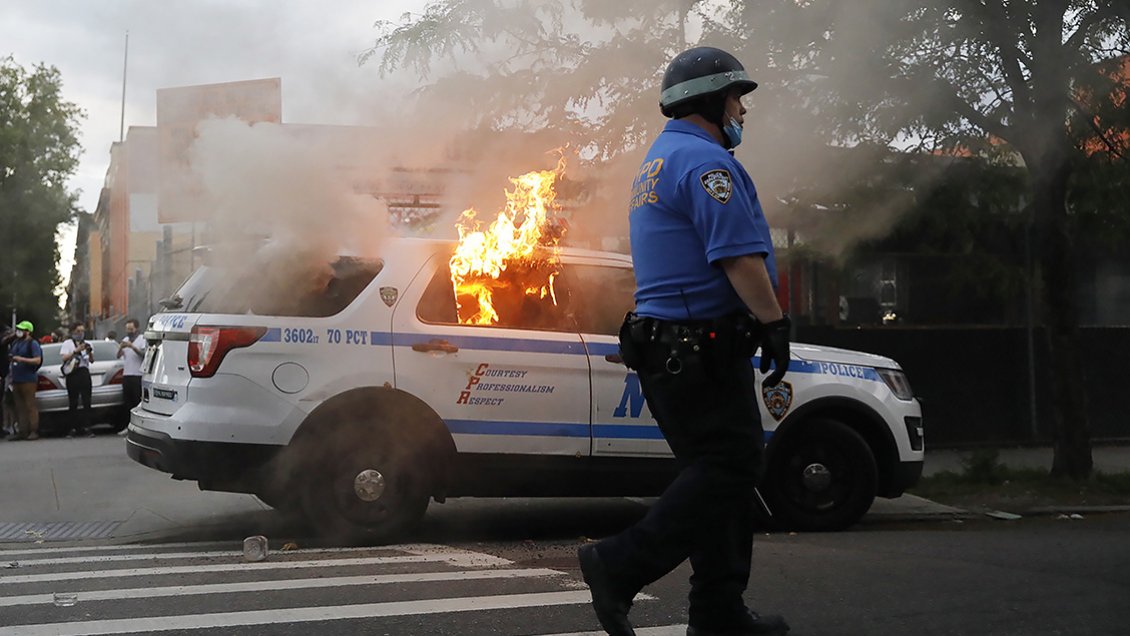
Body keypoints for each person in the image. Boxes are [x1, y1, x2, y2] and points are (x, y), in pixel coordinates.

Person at [577, 47, 792, 636]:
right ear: (709, 100)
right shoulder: (705, 165)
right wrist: (774, 324)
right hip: (699, 349)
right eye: (736, 97)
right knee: (734, 463)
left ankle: (718, 614)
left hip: (672, 351)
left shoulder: (658, 160)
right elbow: (737, 258)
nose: (742, 109)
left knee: (718, 479)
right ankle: (618, 564)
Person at [7, 320, 43, 441]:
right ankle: (23, 431)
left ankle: (33, 430)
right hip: (16, 379)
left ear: (28, 332)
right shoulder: (16, 343)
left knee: (30, 405)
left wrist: (22, 359)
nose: (19, 332)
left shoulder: (32, 344)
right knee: (19, 406)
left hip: (28, 379)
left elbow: (37, 360)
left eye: (22, 330)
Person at [59, 322, 96, 437]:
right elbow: (64, 357)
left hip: (84, 372)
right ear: (73, 332)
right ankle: (72, 428)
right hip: (73, 373)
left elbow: (91, 361)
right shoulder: (68, 343)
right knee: (73, 401)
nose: (80, 334)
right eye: (78, 331)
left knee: (87, 401)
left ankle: (87, 427)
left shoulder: (87, 344)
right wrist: (76, 351)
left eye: (82, 331)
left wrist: (89, 353)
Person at [117, 318, 146, 424]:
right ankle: (127, 424)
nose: (129, 331)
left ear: (136, 328)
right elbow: (118, 356)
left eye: (131, 329)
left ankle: (138, 424)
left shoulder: (142, 339)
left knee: (136, 401)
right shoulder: (125, 339)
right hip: (127, 374)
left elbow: (143, 355)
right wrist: (120, 348)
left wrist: (132, 346)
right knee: (127, 401)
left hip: (137, 375)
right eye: (127, 329)